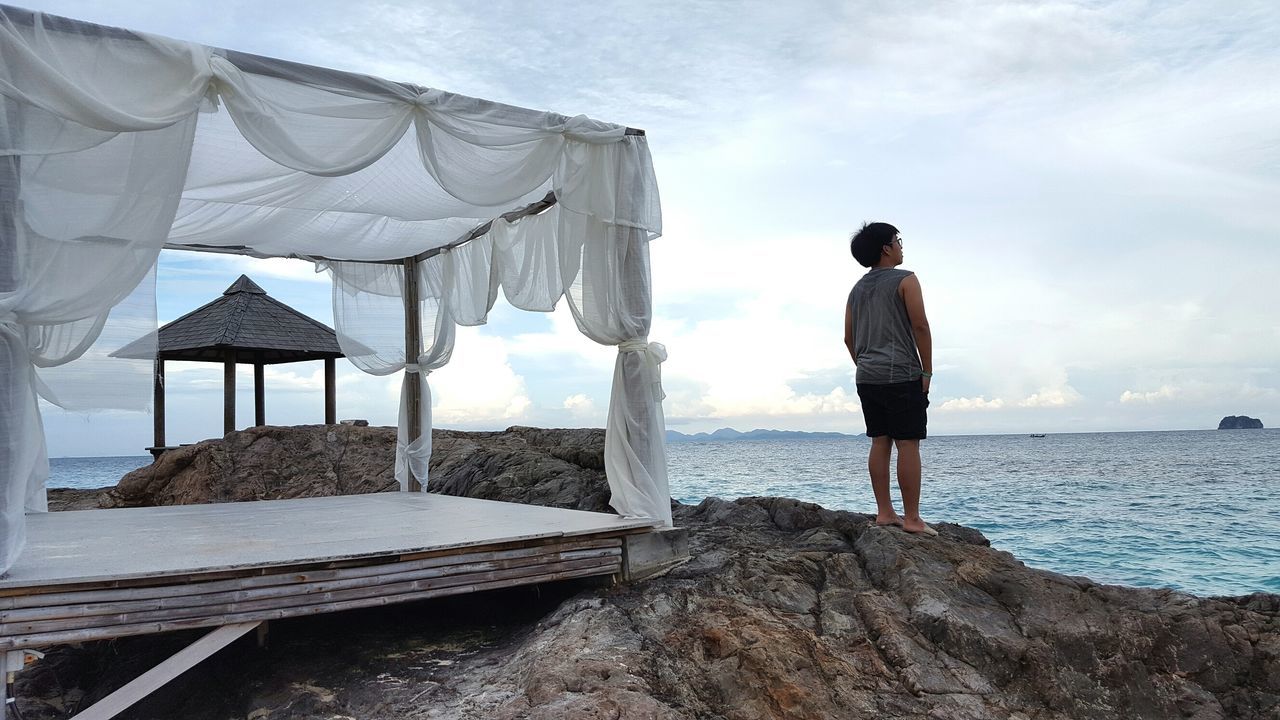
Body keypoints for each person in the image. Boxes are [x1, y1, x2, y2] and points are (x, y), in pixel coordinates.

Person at [843, 222, 936, 536]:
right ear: (886, 248)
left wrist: (866, 364)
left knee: (880, 440)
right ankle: (912, 519)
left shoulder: (856, 289)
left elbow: (848, 338)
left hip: (867, 376)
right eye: (897, 240)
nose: (900, 245)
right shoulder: (906, 280)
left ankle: (884, 512)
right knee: (907, 443)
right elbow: (920, 326)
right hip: (902, 374)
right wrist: (926, 371)